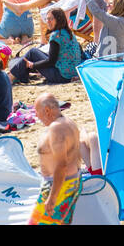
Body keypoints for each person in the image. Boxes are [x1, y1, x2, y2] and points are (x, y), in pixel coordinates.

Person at [29, 93, 82, 225]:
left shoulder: (56, 128)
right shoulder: (68, 122)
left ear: (47, 111)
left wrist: (52, 197)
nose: (36, 116)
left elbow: (62, 164)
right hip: (70, 182)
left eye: (37, 112)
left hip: (59, 186)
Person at [11, 6, 80, 85]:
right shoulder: (69, 33)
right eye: (47, 19)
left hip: (61, 77)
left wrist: (33, 65)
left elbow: (51, 61)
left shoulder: (56, 35)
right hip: (72, 74)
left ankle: (11, 77)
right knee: (35, 53)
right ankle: (20, 76)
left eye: (51, 19)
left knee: (32, 52)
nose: (48, 21)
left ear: (59, 20)